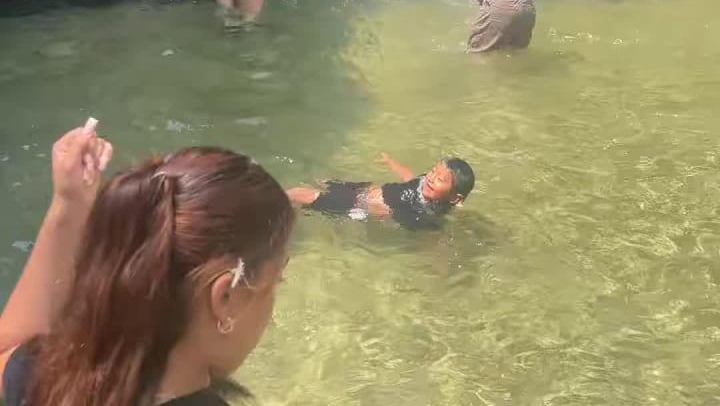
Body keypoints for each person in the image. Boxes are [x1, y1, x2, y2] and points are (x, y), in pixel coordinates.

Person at [0, 120, 294, 406]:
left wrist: (69, 202)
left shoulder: (48, 375)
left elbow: (7, 351)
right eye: (274, 282)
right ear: (226, 297)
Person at [287, 153, 475, 230]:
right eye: (433, 171)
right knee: (320, 180)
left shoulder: (423, 211)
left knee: (297, 194)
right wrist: (391, 162)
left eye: (440, 179)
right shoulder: (426, 185)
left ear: (453, 197)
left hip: (356, 204)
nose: (431, 178)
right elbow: (410, 178)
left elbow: (431, 239)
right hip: (360, 189)